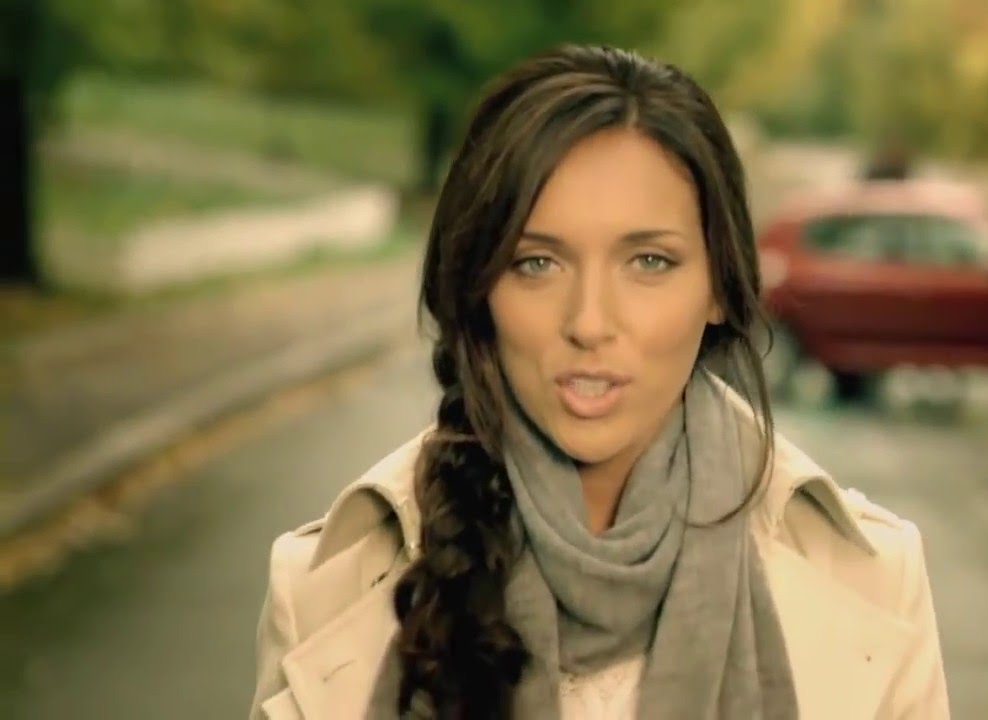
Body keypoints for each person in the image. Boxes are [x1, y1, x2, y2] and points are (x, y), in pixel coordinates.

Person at [249, 44, 949, 719]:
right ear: (479, 288)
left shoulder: (875, 579)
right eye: (537, 263)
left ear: (718, 287)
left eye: (648, 262)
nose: (589, 322)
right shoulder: (322, 590)